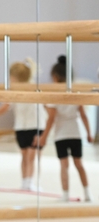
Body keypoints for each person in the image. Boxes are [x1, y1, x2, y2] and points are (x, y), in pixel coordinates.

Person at [0, 59, 47, 191]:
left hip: (35, 126)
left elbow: (46, 106)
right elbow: (4, 108)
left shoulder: (35, 89)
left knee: (31, 156)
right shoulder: (13, 91)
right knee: (24, 156)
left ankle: (29, 181)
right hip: (21, 127)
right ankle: (25, 181)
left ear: (15, 78)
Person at [38, 56, 92, 202]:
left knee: (64, 165)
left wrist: (43, 136)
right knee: (79, 164)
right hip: (75, 133)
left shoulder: (55, 95)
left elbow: (51, 118)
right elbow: (83, 115)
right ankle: (87, 193)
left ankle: (66, 194)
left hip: (61, 135)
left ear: (54, 77)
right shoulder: (75, 93)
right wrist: (89, 133)